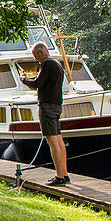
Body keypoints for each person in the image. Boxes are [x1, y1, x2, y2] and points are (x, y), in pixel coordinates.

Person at [19, 41, 68, 185]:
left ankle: (59, 176)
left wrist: (24, 79)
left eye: (36, 56)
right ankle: (64, 173)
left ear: (42, 52)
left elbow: (37, 83)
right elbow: (44, 83)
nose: (36, 60)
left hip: (47, 107)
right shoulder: (58, 65)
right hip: (57, 105)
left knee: (51, 140)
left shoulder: (47, 64)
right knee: (59, 139)